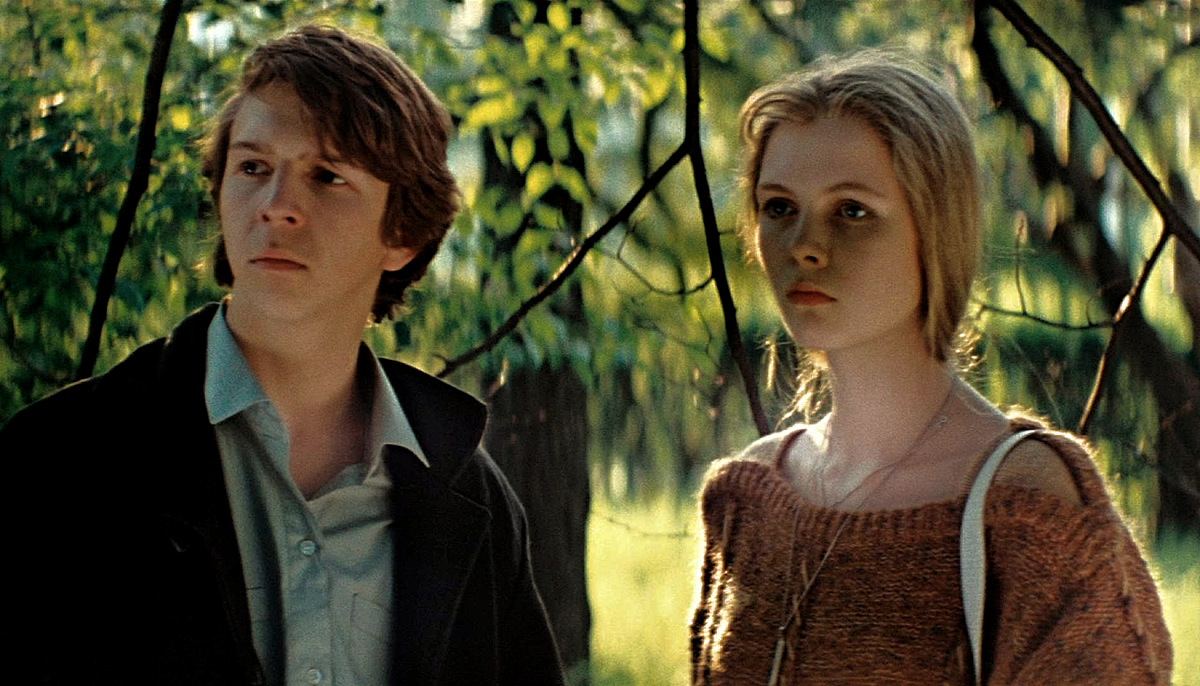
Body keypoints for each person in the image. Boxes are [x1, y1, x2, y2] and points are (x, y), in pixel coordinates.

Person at [4, 25, 564, 685]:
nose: (275, 207)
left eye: (326, 176)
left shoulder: (471, 503)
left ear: (403, 235)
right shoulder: (59, 459)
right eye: (252, 168)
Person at [689, 52, 1172, 685]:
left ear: (935, 227)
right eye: (779, 207)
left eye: (851, 211)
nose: (804, 245)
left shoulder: (1030, 508)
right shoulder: (747, 499)